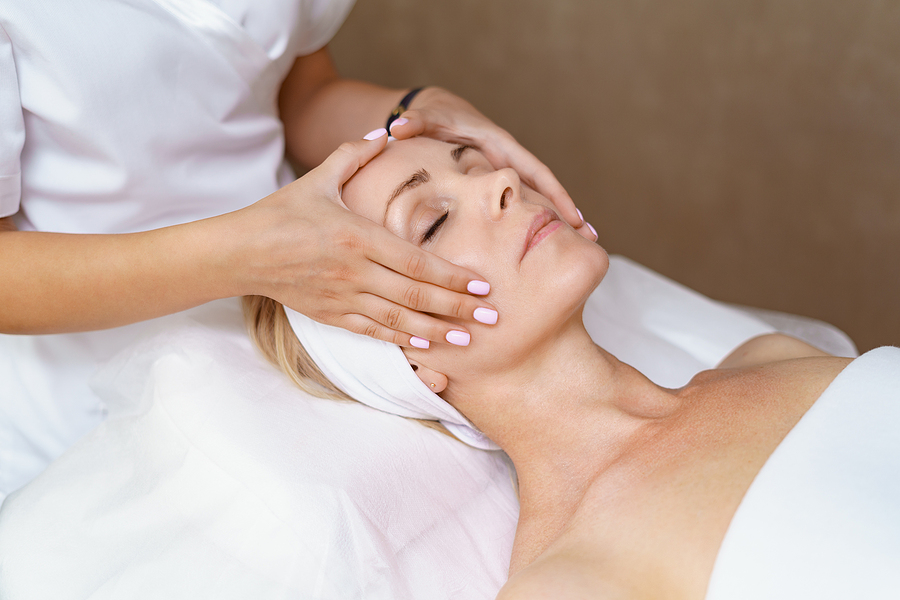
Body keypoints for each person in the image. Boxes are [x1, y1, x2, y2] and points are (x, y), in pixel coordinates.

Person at [243, 136, 899, 599]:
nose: (501, 182)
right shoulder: (569, 582)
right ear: (407, 361)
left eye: (474, 165)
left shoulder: (771, 357)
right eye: (434, 221)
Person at [0, 0, 595, 498]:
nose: (501, 184)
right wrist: (248, 255)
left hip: (314, 310)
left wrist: (414, 109)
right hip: (83, 384)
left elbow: (300, 94)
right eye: (434, 224)